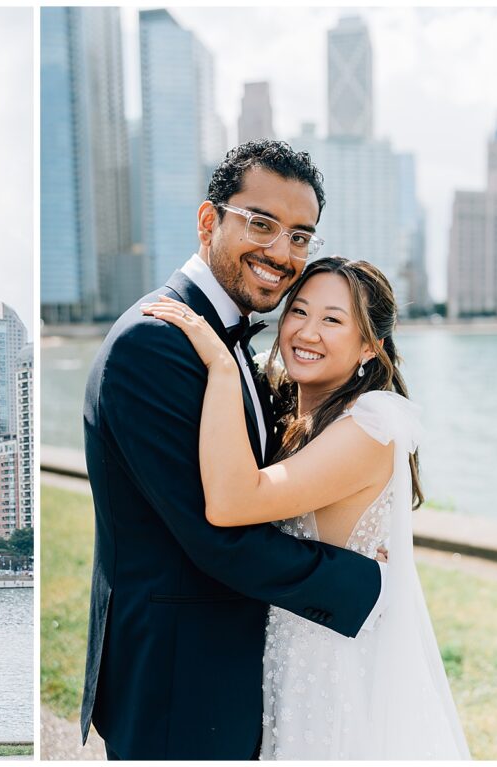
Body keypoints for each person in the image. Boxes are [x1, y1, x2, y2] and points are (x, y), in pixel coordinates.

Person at [81, 140, 388, 760]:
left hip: (217, 667)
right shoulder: (157, 343)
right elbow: (214, 531)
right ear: (208, 221)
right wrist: (363, 580)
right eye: (261, 223)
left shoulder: (225, 340)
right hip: (179, 678)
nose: (282, 252)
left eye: (300, 236)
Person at [143, 256, 470, 759]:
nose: (307, 331)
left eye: (333, 319)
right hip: (290, 656)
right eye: (299, 311)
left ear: (370, 347)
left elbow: (234, 501)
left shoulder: (369, 425)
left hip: (334, 667)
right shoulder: (303, 414)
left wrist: (221, 368)